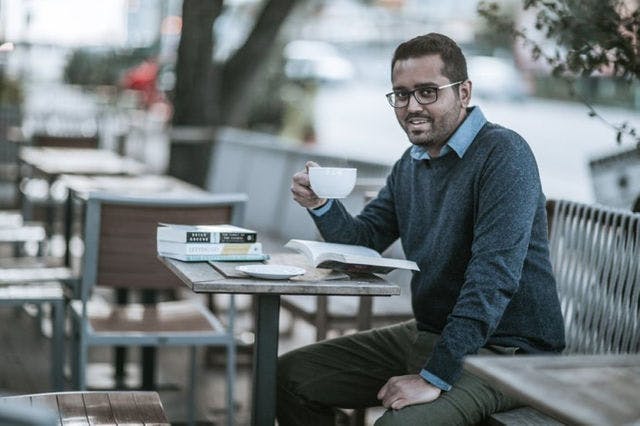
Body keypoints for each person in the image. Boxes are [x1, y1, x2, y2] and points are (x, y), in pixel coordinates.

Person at [278, 33, 566, 425]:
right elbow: (363, 240)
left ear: (463, 92)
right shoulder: (411, 164)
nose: (412, 106)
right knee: (288, 376)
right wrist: (322, 204)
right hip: (432, 332)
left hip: (510, 354)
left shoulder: (504, 154)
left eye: (428, 92)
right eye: (401, 94)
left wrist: (436, 375)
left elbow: (492, 279)